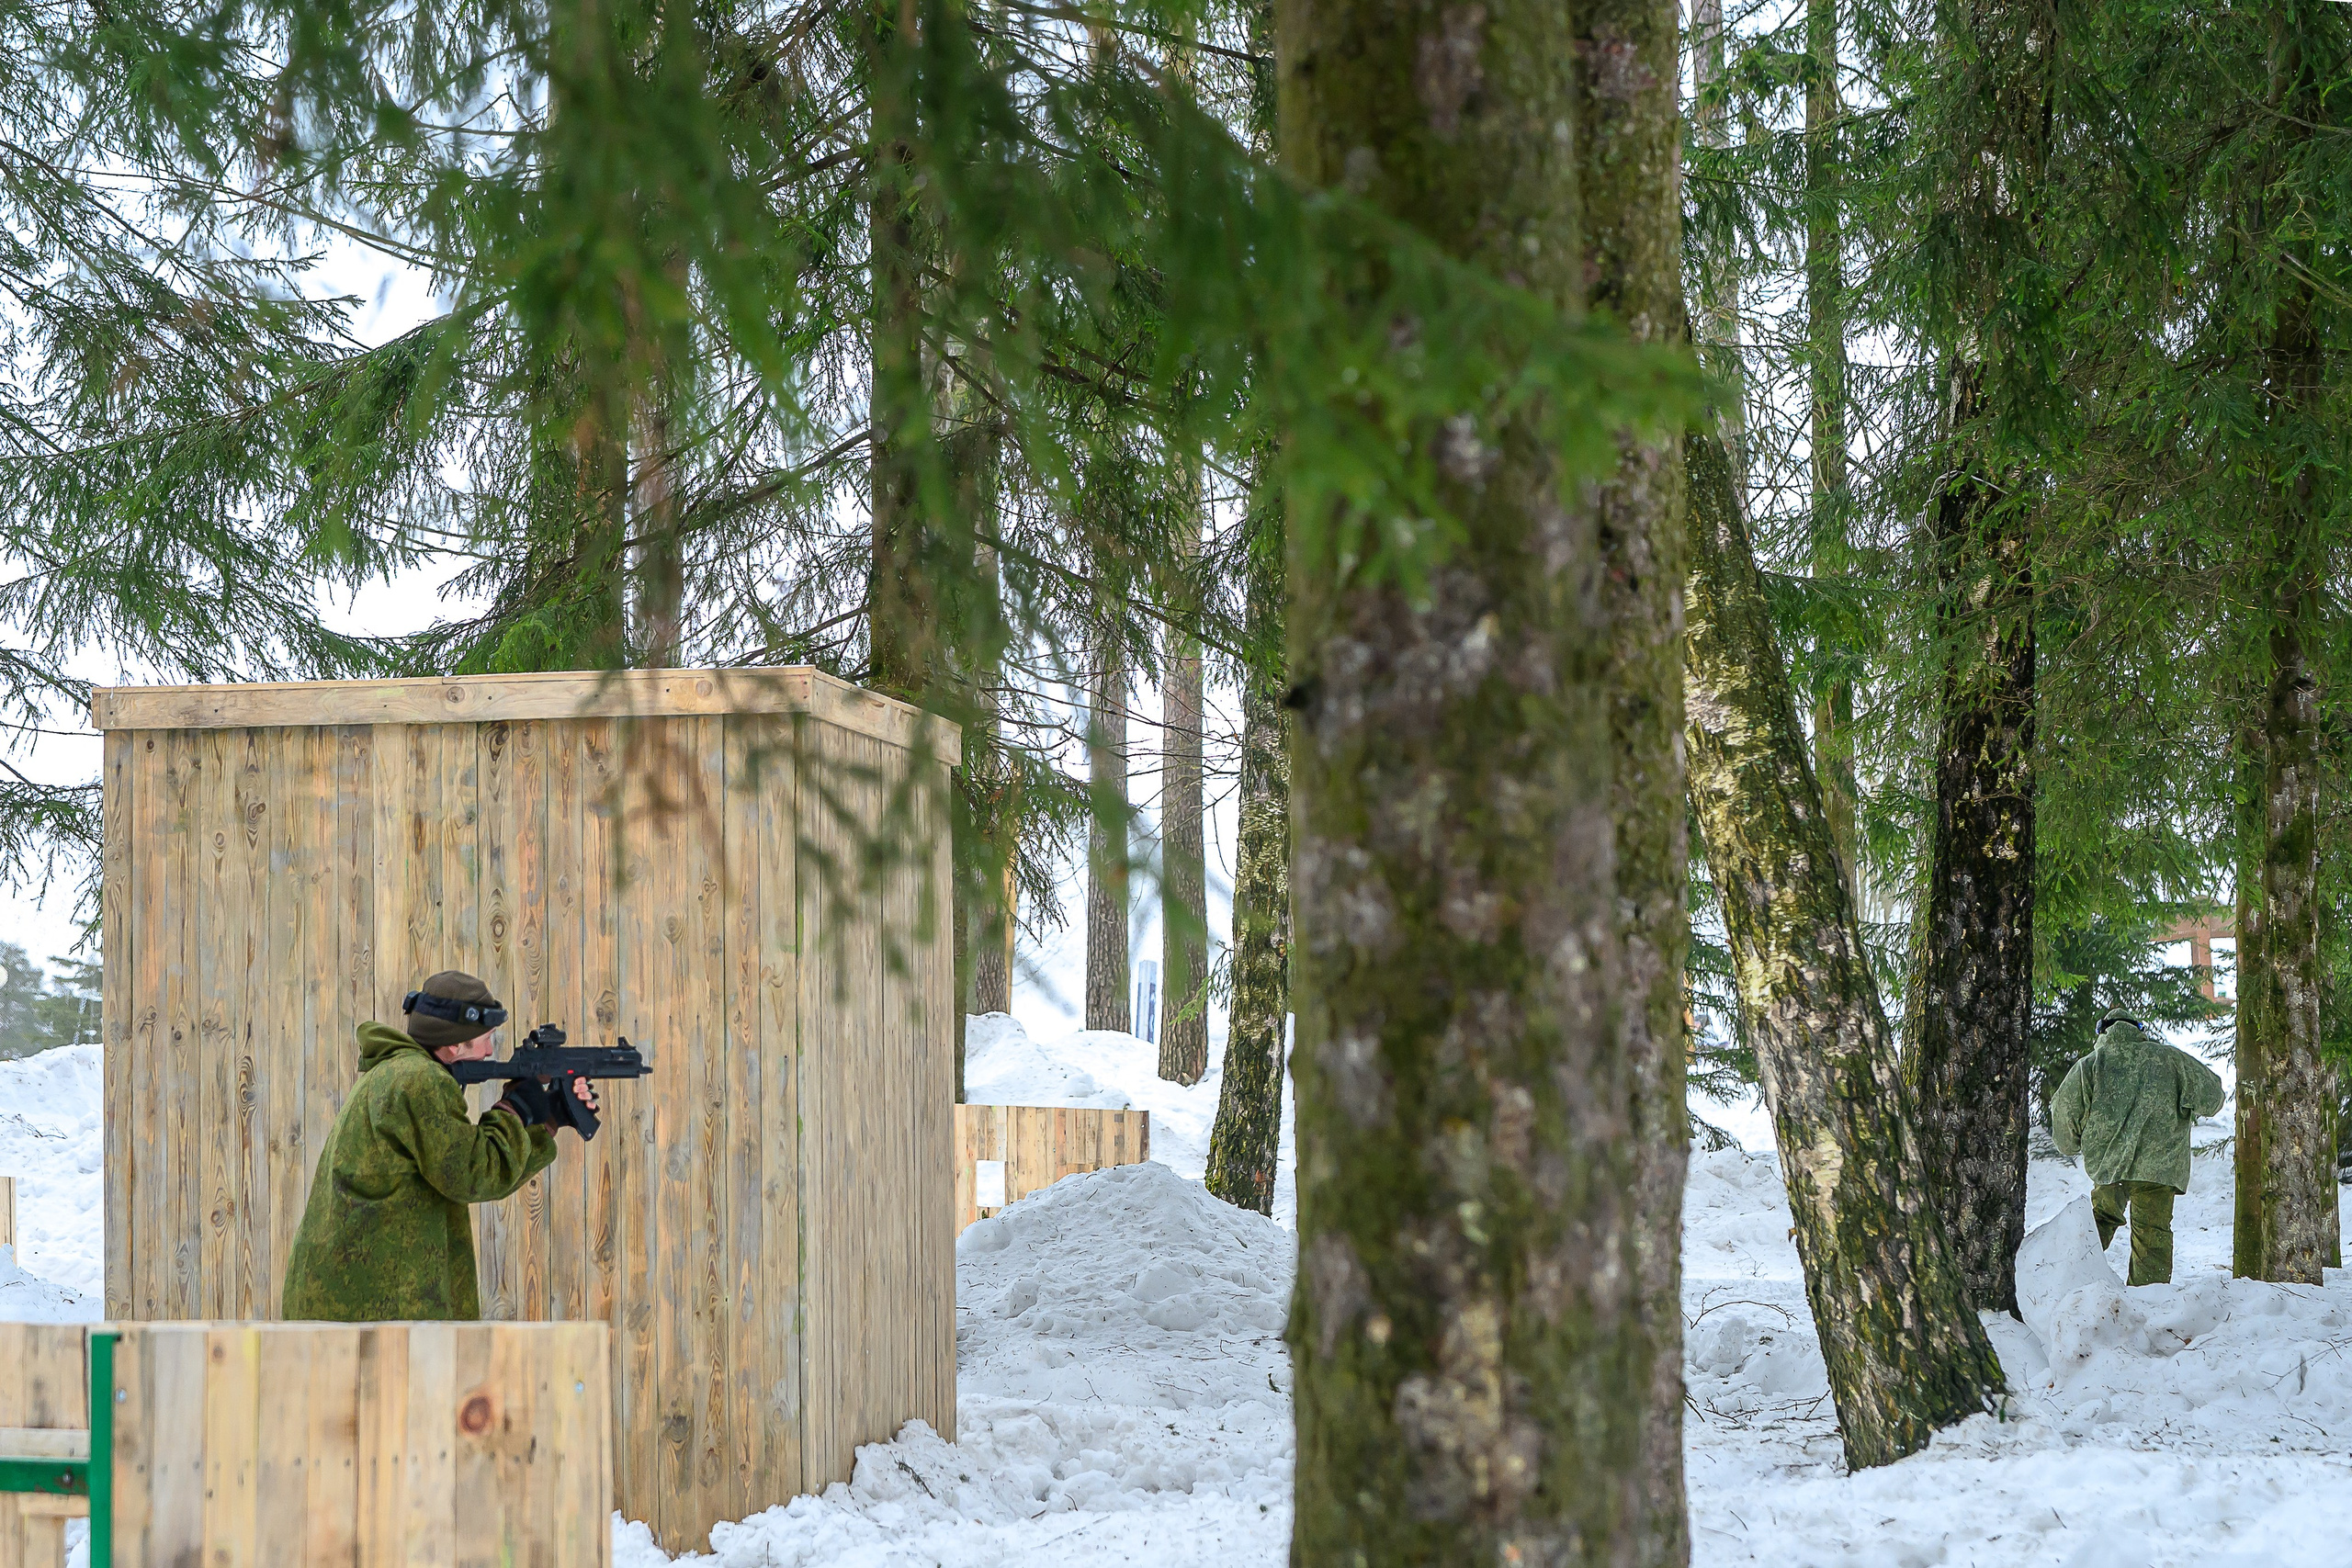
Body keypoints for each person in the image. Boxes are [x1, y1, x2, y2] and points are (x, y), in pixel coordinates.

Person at [281, 971, 599, 1320]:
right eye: (486, 1039)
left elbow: (458, 1167)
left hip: (354, 1295)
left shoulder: (396, 1073)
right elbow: (472, 1174)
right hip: (371, 1305)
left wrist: (546, 1121)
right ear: (454, 1045)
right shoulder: (420, 1081)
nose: (490, 1051)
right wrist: (515, 1110)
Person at [2049, 1010, 2226, 1286]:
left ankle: (2066, 1284)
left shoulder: (2090, 1065)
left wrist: (2071, 1145)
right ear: (2139, 1030)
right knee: (2152, 1238)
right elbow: (2213, 1097)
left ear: (2103, 1031)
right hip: (2159, 1170)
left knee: (2098, 1223)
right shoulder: (2170, 1060)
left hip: (2108, 1167)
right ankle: (2147, 1302)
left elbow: (2064, 1110)